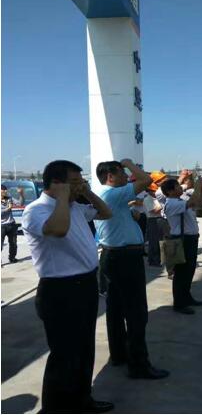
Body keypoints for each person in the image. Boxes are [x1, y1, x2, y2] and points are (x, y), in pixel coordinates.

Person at [22, 160, 114, 414]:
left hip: (85, 285)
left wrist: (87, 193)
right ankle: (55, 409)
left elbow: (106, 213)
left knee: (84, 349)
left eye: (81, 181)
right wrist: (63, 197)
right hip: (60, 291)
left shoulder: (75, 207)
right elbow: (59, 230)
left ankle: (82, 400)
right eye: (74, 182)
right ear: (56, 183)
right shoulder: (36, 210)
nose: (79, 186)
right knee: (64, 356)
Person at [95, 159, 169, 380]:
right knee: (136, 313)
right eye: (122, 173)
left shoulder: (105, 195)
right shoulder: (112, 193)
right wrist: (129, 163)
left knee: (116, 310)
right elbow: (146, 179)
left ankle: (119, 355)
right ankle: (139, 365)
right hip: (125, 258)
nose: (127, 177)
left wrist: (132, 215)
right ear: (110, 176)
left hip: (114, 255)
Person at [161, 177, 202, 315]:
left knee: (189, 271)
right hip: (181, 240)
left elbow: (200, 203)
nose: (181, 188)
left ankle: (186, 297)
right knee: (181, 273)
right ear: (170, 191)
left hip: (190, 239)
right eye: (177, 186)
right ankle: (179, 303)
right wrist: (197, 186)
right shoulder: (172, 203)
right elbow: (193, 201)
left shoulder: (181, 201)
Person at [143, 183, 166, 266]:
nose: (154, 192)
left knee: (159, 240)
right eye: (153, 191)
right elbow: (153, 211)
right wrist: (162, 206)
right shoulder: (147, 199)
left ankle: (156, 259)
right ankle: (154, 260)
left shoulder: (155, 198)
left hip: (158, 219)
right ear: (149, 191)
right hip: (153, 220)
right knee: (154, 241)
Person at [1, 184, 23, 263]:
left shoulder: (9, 198)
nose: (5, 191)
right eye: (3, 189)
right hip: (1, 226)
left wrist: (21, 194)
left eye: (5, 189)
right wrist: (8, 208)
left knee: (13, 243)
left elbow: (20, 203)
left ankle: (12, 258)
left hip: (11, 224)